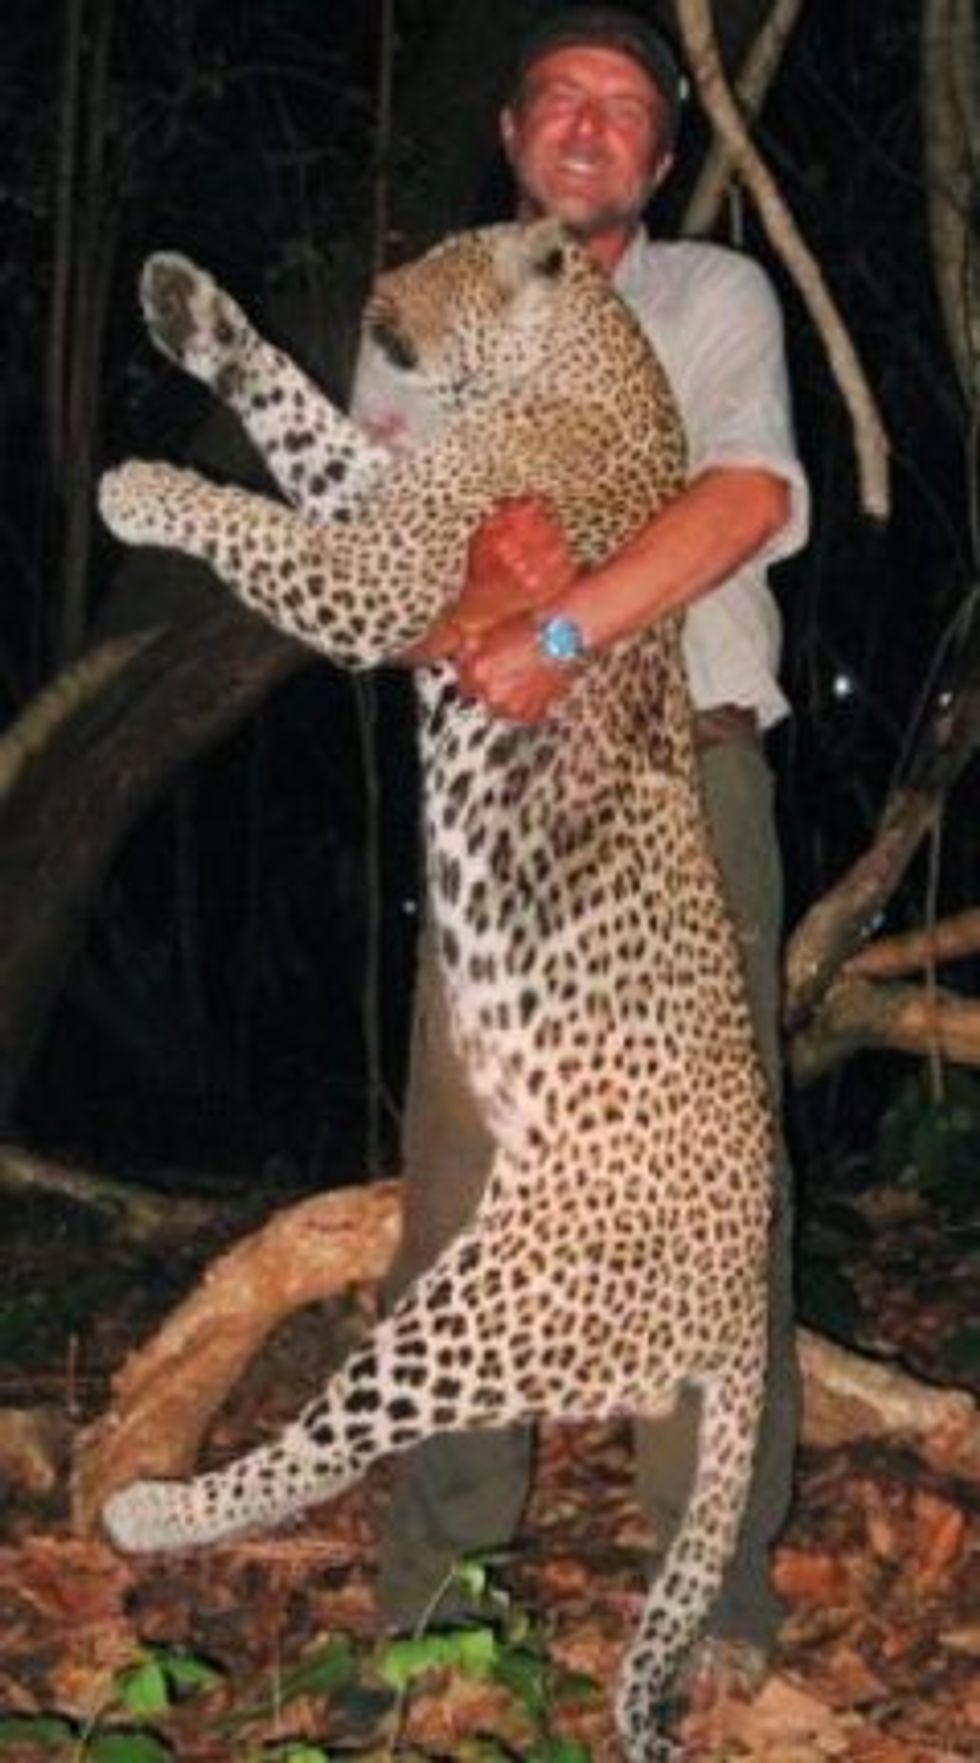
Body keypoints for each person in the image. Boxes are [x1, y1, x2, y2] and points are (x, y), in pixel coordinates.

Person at [354, 4, 810, 1673]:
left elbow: (739, 502)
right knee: (468, 1187)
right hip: (504, 814)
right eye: (562, 98)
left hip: (686, 779)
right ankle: (437, 1586)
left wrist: (553, 627)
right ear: (512, 133)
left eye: (628, 108)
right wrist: (484, 584)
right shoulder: (423, 320)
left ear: (662, 158)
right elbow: (398, 583)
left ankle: (718, 1592)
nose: (592, 126)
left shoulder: (711, 296)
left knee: (707, 1201)